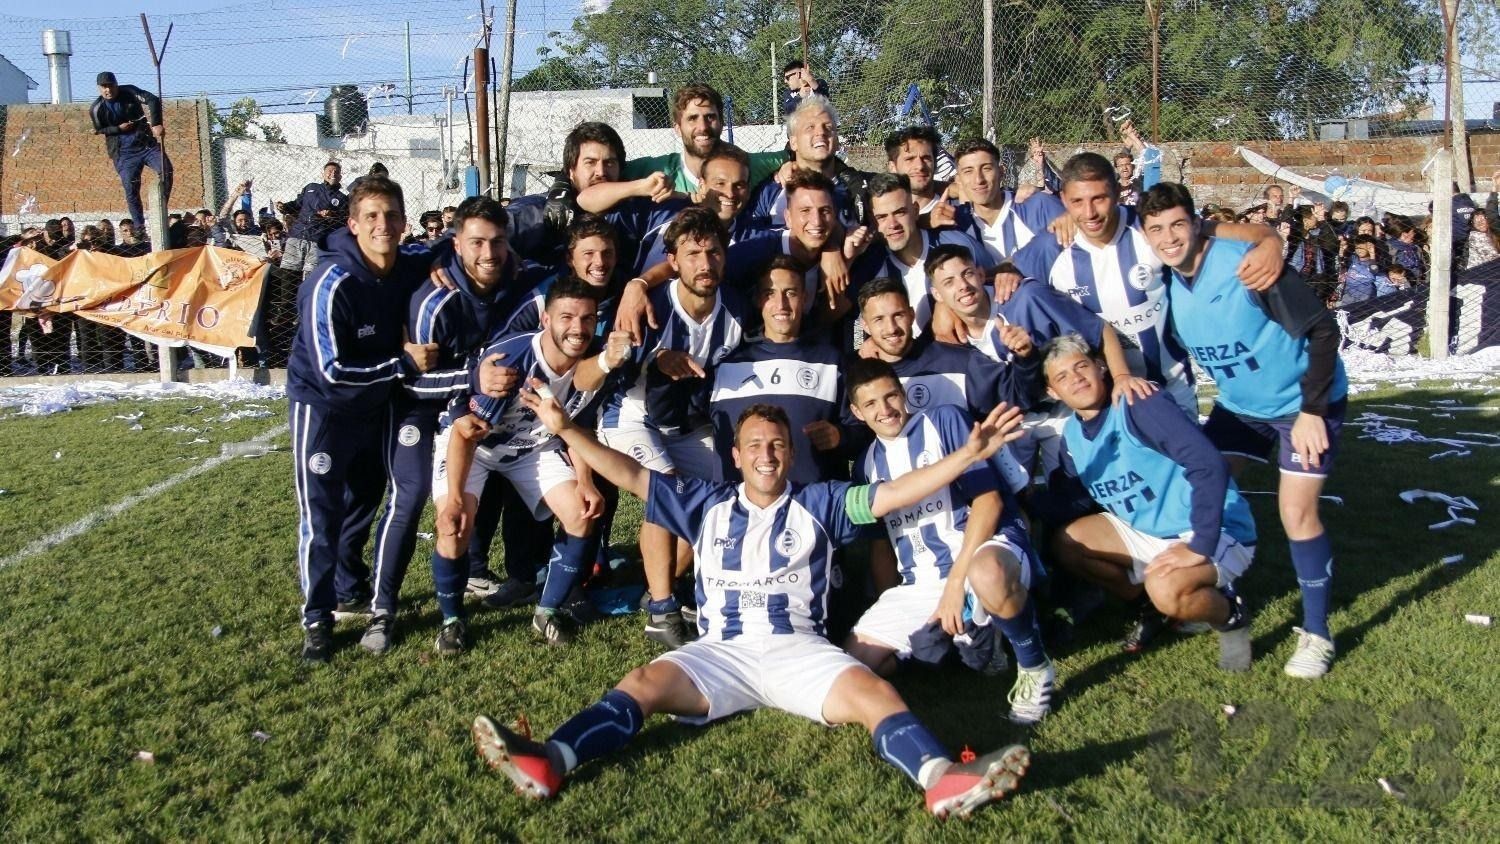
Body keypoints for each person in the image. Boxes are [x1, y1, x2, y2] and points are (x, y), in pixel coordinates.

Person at [471, 395, 1032, 820]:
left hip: (800, 650)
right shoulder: (702, 502)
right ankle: (550, 762)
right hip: (721, 653)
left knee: (874, 693)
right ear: (736, 456)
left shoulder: (824, 502)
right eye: (756, 446)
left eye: (778, 445)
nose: (767, 455)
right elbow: (628, 472)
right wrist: (566, 427)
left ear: (791, 453)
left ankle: (942, 780)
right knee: (641, 682)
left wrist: (966, 455)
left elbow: (898, 492)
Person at [1139, 181, 1347, 678]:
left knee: (1296, 512)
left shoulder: (1246, 264)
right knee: (1202, 487)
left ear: (1197, 223)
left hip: (1304, 403)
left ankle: (1317, 633)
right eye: (1156, 230)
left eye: (1177, 225)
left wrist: (1313, 410)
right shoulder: (1165, 281)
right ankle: (1219, 595)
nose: (1169, 238)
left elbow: (1323, 329)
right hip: (1240, 407)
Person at [843, 359, 1054, 724]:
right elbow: (881, 545)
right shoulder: (865, 465)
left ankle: (1034, 666)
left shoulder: (945, 421)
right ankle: (964, 639)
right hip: (921, 582)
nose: (886, 409)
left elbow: (989, 503)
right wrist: (891, 609)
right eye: (872, 404)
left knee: (986, 574)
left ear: (903, 392)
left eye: (891, 396)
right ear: (857, 412)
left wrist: (956, 584)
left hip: (983, 553)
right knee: (852, 668)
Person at [428, 277, 631, 651]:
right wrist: (455, 496)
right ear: (545, 321)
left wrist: (584, 480)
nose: (578, 328)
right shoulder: (513, 362)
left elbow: (580, 422)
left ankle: (547, 612)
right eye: (566, 317)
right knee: (455, 525)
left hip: (532, 448)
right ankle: (451, 620)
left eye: (587, 319)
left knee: (582, 513)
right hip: (476, 447)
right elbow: (465, 433)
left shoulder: (596, 359)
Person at [361, 196, 521, 654]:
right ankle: (383, 609)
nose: (488, 254)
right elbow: (412, 381)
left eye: (498, 243)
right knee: (408, 499)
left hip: (472, 407)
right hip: (421, 408)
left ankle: (481, 571)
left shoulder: (516, 274)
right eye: (476, 243)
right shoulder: (435, 299)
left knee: (494, 481)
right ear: (455, 243)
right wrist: (473, 376)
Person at [287, 176, 437, 663]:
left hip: (376, 407)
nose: (382, 225)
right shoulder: (330, 284)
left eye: (391, 215)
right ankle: (317, 619)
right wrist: (404, 364)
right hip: (326, 409)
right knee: (321, 514)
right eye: (371, 216)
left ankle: (351, 587)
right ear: (352, 225)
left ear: (404, 221)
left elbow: (456, 247)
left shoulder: (409, 265)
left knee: (364, 502)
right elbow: (331, 372)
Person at [1042, 334, 1256, 670]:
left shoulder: (1137, 403)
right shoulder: (1071, 434)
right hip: (1148, 533)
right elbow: (1070, 500)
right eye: (1062, 377)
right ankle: (1152, 608)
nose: (1076, 379)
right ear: (1053, 392)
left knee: (1166, 587)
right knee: (1067, 543)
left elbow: (1208, 464)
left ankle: (1231, 615)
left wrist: (1199, 545)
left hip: (1212, 528)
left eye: (1081, 367)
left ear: (1100, 367)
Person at [1009, 152, 1283, 414]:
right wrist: (1003, 276)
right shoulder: (1052, 246)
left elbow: (1217, 230)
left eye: (1099, 198)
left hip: (1170, 387)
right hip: (1101, 398)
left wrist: (1270, 238)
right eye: (1078, 202)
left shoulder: (1147, 226)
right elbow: (1000, 273)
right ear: (1064, 201)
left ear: (1117, 192)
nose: (1089, 212)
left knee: (1192, 462)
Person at [596, 207, 748, 649]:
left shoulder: (735, 307)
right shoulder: (652, 304)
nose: (705, 263)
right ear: (673, 261)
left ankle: (673, 586)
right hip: (631, 415)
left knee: (722, 500)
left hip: (686, 423)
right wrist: (656, 360)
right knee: (666, 490)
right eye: (693, 253)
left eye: (714, 252)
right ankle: (661, 610)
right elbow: (614, 368)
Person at [709, 255, 850, 484]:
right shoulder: (726, 364)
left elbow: (861, 429)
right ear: (757, 300)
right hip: (739, 509)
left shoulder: (831, 361)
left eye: (791, 293)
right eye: (770, 294)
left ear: (804, 298)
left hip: (811, 506)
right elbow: (678, 421)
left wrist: (840, 436)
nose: (781, 304)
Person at [851, 173, 995, 336]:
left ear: (915, 211)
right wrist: (865, 345)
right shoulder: (868, 266)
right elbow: (855, 325)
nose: (893, 224)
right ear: (872, 220)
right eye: (882, 217)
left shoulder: (957, 243)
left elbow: (994, 281)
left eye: (900, 212)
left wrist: (949, 307)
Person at [602, 84, 783, 198]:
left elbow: (798, 155)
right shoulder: (657, 170)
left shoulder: (746, 165)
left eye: (710, 117)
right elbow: (591, 194)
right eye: (692, 118)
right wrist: (639, 187)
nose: (702, 127)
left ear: (721, 123)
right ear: (677, 128)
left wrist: (789, 167)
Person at [949, 138, 1064, 264]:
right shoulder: (954, 224)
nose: (978, 179)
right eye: (968, 171)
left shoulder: (1039, 207)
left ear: (1001, 172)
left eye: (986, 168)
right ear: (958, 180)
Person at [90, 72, 171, 231]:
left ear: (116, 84)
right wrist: (118, 128)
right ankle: (139, 227)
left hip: (146, 144)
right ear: (99, 88)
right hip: (123, 152)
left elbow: (152, 99)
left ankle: (160, 208)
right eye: (104, 87)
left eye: (111, 85)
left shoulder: (129, 92)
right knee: (131, 188)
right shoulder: (96, 108)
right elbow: (98, 129)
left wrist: (156, 124)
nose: (108, 90)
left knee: (166, 170)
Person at [282, 161, 348, 282]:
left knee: (311, 278)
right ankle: (286, 302)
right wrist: (284, 207)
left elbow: (344, 220)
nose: (333, 173)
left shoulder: (342, 198)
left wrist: (332, 215)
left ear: (340, 176)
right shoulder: (311, 187)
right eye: (330, 171)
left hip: (318, 240)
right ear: (323, 174)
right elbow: (297, 204)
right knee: (288, 274)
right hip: (297, 235)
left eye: (336, 172)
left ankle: (306, 300)